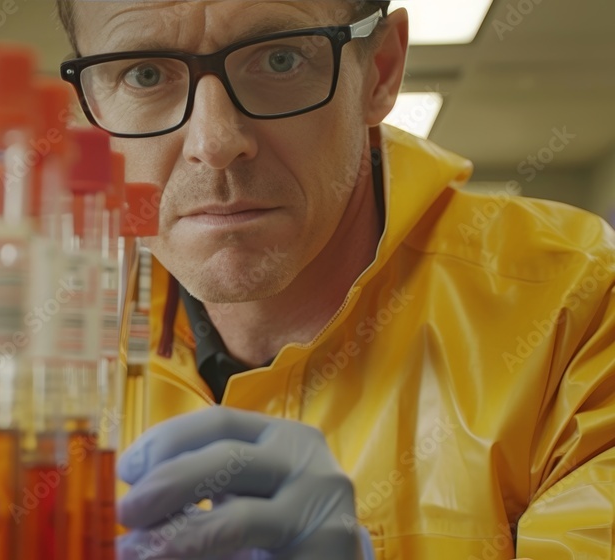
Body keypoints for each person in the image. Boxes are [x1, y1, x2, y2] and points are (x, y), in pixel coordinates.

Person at [56, 1, 615, 559]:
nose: (216, 143)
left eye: (279, 60)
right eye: (145, 74)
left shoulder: (580, 308)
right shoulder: (51, 347)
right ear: (89, 108)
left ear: (380, 70)